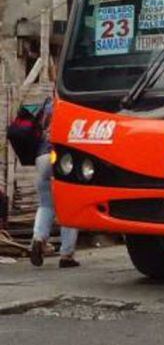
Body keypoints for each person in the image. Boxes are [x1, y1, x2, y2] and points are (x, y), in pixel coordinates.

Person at [29, 96, 80, 268]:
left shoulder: (48, 103)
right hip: (61, 158)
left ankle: (38, 238)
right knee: (70, 208)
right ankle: (66, 255)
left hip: (42, 156)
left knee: (46, 205)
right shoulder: (71, 104)